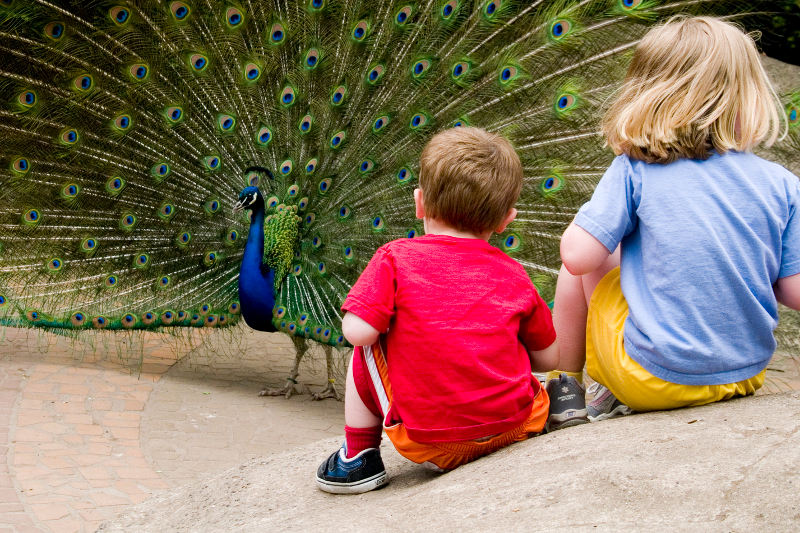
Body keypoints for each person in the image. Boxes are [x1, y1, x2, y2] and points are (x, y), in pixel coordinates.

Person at [547, 16, 800, 427]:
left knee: (585, 264)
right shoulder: (783, 184)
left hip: (649, 380)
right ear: (748, 96)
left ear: (645, 96)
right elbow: (794, 291)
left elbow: (578, 256)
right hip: (745, 376)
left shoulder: (634, 169)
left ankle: (566, 389)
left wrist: (598, 217)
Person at [316, 127, 560, 494]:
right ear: (506, 220)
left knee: (366, 346)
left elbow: (357, 332)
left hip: (431, 443)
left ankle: (358, 457)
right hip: (517, 427)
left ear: (419, 203)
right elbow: (548, 358)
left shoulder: (394, 258)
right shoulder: (515, 274)